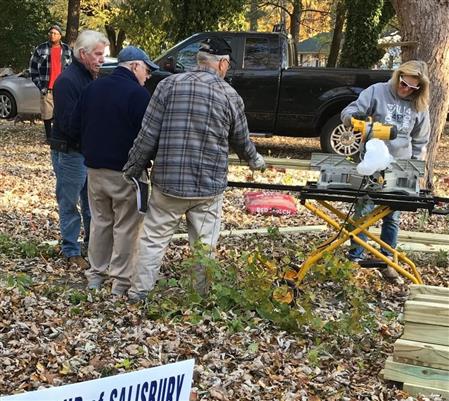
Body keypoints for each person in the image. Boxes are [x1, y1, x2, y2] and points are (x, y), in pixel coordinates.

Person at [123, 36, 266, 302]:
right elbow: (241, 140)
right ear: (222, 64)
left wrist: (133, 168)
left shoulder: (167, 86)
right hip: (208, 187)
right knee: (204, 245)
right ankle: (200, 297)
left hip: (168, 182)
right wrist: (255, 161)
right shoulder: (230, 95)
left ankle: (139, 292)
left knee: (153, 239)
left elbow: (147, 134)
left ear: (198, 61)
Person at [69, 46, 158, 295]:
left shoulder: (92, 89)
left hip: (94, 170)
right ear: (134, 66)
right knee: (127, 227)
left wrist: (89, 149)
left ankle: (95, 276)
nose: (148, 75)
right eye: (146, 69)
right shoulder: (138, 95)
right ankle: (120, 282)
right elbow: (149, 137)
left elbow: (73, 127)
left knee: (100, 223)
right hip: (128, 173)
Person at [341, 60, 430, 281]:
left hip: (399, 166)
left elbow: (420, 141)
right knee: (363, 212)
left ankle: (387, 260)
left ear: (419, 88)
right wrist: (354, 118)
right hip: (371, 164)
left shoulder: (419, 105)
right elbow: (348, 111)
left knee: (392, 216)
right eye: (403, 83)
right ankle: (355, 258)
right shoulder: (377, 91)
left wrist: (414, 169)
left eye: (412, 87)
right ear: (398, 76)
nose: (406, 89)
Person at [50, 30, 109, 269]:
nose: (102, 59)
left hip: (86, 151)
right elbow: (68, 124)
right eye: (98, 54)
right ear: (82, 54)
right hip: (70, 152)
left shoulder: (90, 78)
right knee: (69, 202)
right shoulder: (68, 81)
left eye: (103, 54)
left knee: (91, 204)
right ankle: (71, 250)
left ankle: (91, 247)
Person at [30, 25, 72, 142]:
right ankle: (49, 137)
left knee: (62, 113)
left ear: (60, 35)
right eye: (51, 33)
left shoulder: (67, 50)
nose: (52, 35)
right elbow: (33, 69)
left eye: (55, 33)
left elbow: (72, 68)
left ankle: (60, 136)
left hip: (62, 88)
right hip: (47, 88)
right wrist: (40, 85)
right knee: (47, 114)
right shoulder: (41, 49)